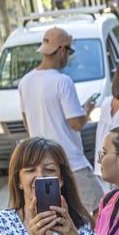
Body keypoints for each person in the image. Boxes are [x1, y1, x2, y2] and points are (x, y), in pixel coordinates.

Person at [18, 26, 104, 211]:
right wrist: (87, 108)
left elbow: (27, 123)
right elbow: (76, 123)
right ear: (62, 50)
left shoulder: (25, 82)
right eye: (69, 51)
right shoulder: (62, 81)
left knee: (54, 217)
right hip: (70, 164)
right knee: (101, 210)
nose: (69, 57)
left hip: (42, 168)